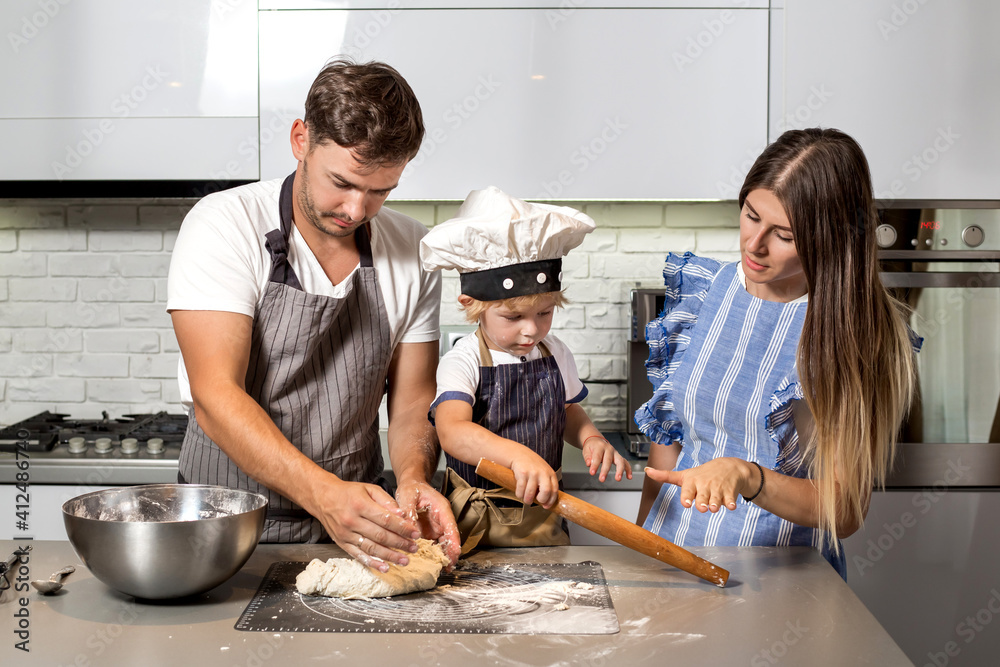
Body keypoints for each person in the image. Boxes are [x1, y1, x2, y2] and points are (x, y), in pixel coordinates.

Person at [166, 58, 461, 572]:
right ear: (301, 139)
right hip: (223, 528)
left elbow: (413, 402)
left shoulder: (414, 250)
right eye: (341, 182)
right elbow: (215, 396)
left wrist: (414, 479)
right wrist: (325, 496)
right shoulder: (224, 225)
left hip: (355, 528)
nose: (355, 209)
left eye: (380, 191)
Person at [635, 128, 919, 577]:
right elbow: (667, 447)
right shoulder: (705, 294)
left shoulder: (854, 332)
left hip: (783, 583)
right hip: (674, 560)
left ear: (832, 237)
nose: (754, 244)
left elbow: (844, 509)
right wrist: (642, 549)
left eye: (784, 234)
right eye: (750, 215)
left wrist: (751, 477)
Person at [420, 187, 632, 552]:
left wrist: (591, 437)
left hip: (542, 516)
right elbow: (452, 431)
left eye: (544, 313)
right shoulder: (464, 359)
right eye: (513, 317)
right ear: (472, 305)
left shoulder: (553, 352)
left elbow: (566, 411)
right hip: (475, 520)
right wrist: (518, 456)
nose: (531, 329)